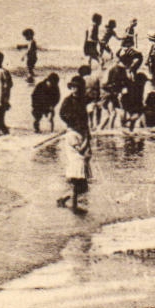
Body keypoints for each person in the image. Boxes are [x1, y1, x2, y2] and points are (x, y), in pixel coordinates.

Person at [58, 76, 92, 215]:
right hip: (73, 134)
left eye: (77, 87)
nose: (75, 89)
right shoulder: (67, 101)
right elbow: (62, 114)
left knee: (82, 178)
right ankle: (73, 205)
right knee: (78, 171)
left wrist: (87, 136)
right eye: (73, 87)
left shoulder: (83, 100)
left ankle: (66, 200)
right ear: (70, 88)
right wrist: (72, 123)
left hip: (82, 133)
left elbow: (86, 117)